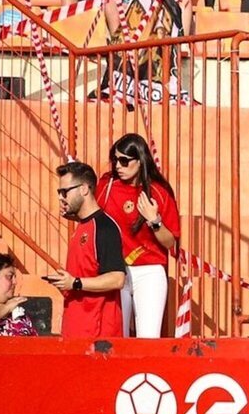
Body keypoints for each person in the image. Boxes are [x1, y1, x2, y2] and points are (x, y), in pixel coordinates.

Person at [94, 134, 181, 338]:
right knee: (116, 336)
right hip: (115, 271)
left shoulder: (159, 192)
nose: (118, 166)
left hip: (149, 271)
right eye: (115, 160)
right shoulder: (106, 186)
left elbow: (171, 243)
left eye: (124, 161)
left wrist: (155, 221)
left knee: (148, 338)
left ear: (140, 160)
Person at [46, 161, 126, 338]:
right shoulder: (82, 226)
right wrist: (66, 283)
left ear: (84, 189)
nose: (60, 197)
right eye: (59, 192)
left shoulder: (104, 227)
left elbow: (117, 278)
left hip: (96, 335)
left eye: (65, 192)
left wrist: (75, 283)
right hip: (76, 329)